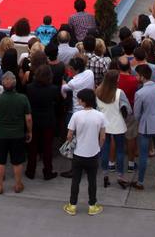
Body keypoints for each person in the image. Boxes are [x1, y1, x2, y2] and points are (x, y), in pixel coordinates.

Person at [0, 70, 32, 195]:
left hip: (0, 135)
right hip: (18, 135)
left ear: (2, 84)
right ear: (15, 83)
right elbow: (28, 118)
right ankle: (18, 185)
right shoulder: (22, 98)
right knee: (17, 161)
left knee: (0, 161)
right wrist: (29, 131)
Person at [63, 88, 106, 216]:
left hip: (78, 153)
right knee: (92, 181)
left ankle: (72, 205)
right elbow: (103, 136)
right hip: (93, 154)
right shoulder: (100, 115)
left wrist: (71, 142)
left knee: (75, 180)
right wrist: (98, 147)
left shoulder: (76, 115)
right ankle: (92, 206)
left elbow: (69, 135)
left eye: (79, 99)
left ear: (83, 101)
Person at [132, 63, 155, 189]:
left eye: (137, 75)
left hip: (145, 126)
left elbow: (136, 114)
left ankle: (140, 181)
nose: (136, 77)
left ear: (142, 77)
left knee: (143, 155)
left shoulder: (140, 93)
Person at [96, 69, 131, 189]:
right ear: (116, 80)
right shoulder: (119, 93)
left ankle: (105, 174)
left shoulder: (98, 91)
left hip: (104, 125)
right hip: (118, 125)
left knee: (104, 150)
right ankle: (120, 176)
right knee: (120, 151)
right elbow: (128, 109)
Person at [25, 63, 59, 181]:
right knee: (47, 148)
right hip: (48, 121)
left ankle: (30, 170)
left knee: (32, 147)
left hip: (34, 120)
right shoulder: (53, 89)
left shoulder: (29, 88)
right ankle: (48, 171)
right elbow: (58, 103)